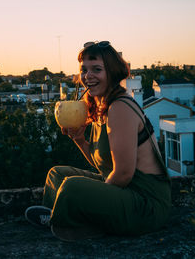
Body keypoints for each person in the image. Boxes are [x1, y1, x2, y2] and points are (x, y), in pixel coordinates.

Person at [25, 41, 171, 241]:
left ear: (112, 73)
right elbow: (104, 166)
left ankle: (66, 221)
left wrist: (97, 195)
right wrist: (80, 141)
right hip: (126, 192)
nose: (88, 76)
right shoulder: (101, 107)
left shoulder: (120, 107)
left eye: (97, 69)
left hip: (146, 205)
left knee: (72, 187)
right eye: (84, 70)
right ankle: (58, 217)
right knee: (57, 175)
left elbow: (123, 174)